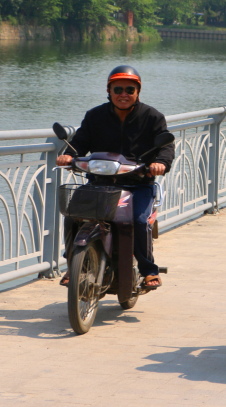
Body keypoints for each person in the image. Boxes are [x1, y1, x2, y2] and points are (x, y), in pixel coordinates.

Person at [56, 65, 174, 290]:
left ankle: (149, 270)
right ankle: (73, 265)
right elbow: (80, 142)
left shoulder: (152, 117)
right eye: (118, 89)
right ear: (108, 91)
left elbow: (166, 146)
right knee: (72, 216)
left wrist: (161, 163)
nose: (124, 94)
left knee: (138, 222)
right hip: (99, 184)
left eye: (130, 89)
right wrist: (69, 155)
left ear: (138, 92)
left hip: (137, 184)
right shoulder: (95, 116)